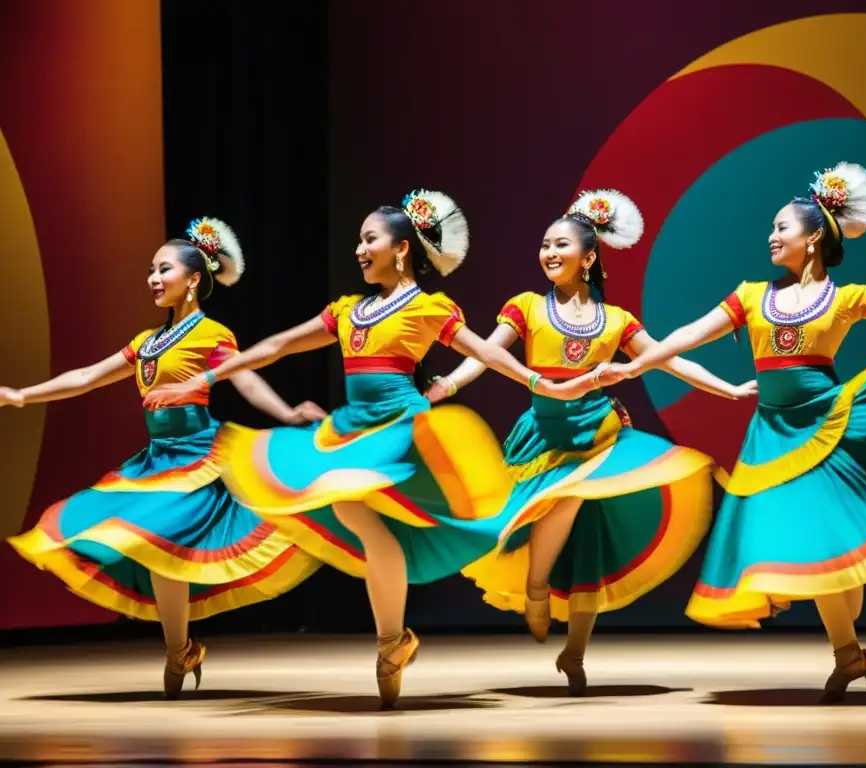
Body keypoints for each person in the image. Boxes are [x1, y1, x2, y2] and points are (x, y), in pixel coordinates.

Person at [143, 190, 593, 707]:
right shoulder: (347, 311)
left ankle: (389, 642)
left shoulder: (427, 307)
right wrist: (200, 380)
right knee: (355, 516)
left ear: (401, 250)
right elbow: (277, 345)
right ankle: (395, 641)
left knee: (356, 507)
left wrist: (541, 382)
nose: (359, 249)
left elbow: (487, 351)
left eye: (369, 239)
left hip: (401, 429)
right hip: (353, 430)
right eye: (358, 240)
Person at [599, 162, 866, 703]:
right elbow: (687, 335)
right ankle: (849, 653)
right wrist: (635, 367)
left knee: (834, 553)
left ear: (813, 235)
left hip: (826, 426)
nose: (771, 237)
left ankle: (849, 648)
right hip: (773, 435)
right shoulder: (751, 296)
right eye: (771, 230)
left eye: (781, 228)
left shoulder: (842, 300)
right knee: (810, 545)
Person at [427, 189, 757, 695]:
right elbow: (486, 355)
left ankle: (574, 652)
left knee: (588, 533)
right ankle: (536, 586)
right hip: (543, 438)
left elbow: (671, 359)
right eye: (544, 245)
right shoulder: (527, 307)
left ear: (590, 256)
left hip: (599, 438)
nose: (549, 253)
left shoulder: (618, 321)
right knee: (564, 515)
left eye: (560, 244)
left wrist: (730, 389)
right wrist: (449, 384)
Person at [3, 218, 327, 699]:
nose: (153, 278)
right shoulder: (147, 342)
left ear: (194, 279)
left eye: (164, 269)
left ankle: (178, 651)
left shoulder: (212, 334)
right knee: (132, 540)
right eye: (151, 270)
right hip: (156, 461)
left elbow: (245, 378)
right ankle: (181, 649)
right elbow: (89, 376)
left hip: (199, 459)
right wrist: (22, 395)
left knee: (162, 545)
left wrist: (285, 411)